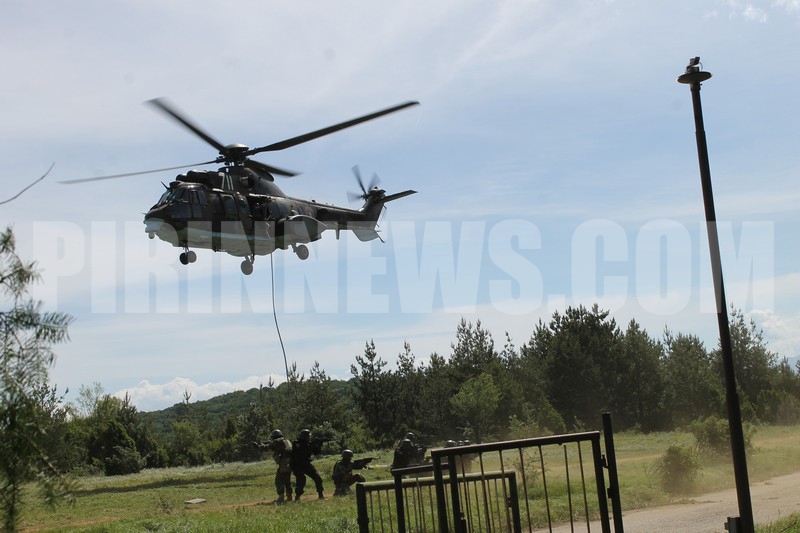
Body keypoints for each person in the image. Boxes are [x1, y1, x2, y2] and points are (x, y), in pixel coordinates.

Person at [257, 429, 293, 504]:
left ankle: (281, 497)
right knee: (287, 481)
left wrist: (258, 446)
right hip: (290, 463)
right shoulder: (286, 441)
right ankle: (289, 496)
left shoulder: (277, 442)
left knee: (279, 480)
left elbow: (266, 448)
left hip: (283, 464)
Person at [291, 429, 326, 500]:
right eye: (308, 437)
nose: (309, 438)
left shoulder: (308, 444)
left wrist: (318, 445)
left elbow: (316, 453)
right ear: (304, 437)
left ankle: (321, 495)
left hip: (306, 464)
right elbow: (302, 451)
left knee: (318, 478)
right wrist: (312, 445)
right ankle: (297, 497)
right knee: (301, 480)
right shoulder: (296, 443)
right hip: (297, 465)